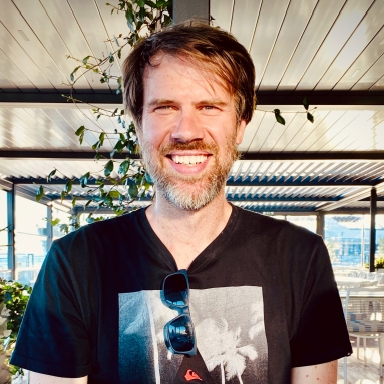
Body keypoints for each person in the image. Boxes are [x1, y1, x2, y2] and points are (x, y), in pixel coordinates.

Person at [11, 21, 352, 383]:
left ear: (240, 124)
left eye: (209, 106)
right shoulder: (75, 263)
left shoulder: (300, 258)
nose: (187, 131)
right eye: (165, 107)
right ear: (139, 124)